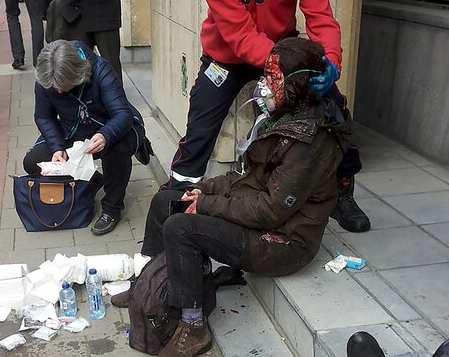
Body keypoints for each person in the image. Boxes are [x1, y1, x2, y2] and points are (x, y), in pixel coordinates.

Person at [162, 0, 366, 232]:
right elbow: (240, 36)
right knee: (199, 128)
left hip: (281, 48)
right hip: (226, 56)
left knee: (330, 107)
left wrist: (328, 62)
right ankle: (178, 196)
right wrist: (279, 69)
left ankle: (342, 189)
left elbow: (320, 18)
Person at [137, 38, 349, 357]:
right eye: (264, 75)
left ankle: (193, 326)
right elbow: (245, 177)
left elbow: (270, 212)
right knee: (167, 199)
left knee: (181, 227)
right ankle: (149, 286)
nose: (263, 85)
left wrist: (206, 204)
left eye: (273, 79)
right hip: (262, 217)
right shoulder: (281, 118)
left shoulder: (308, 143)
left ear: (299, 85)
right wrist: (204, 190)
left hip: (283, 242)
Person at [24, 40, 145, 235]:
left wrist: (105, 135)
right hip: (72, 128)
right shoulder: (46, 79)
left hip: (111, 125)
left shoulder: (101, 70)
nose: (59, 91)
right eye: (54, 88)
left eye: (63, 86)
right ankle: (93, 181)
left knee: (117, 149)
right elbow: (43, 117)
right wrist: (57, 148)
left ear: (77, 74)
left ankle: (112, 208)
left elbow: (122, 114)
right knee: (33, 162)